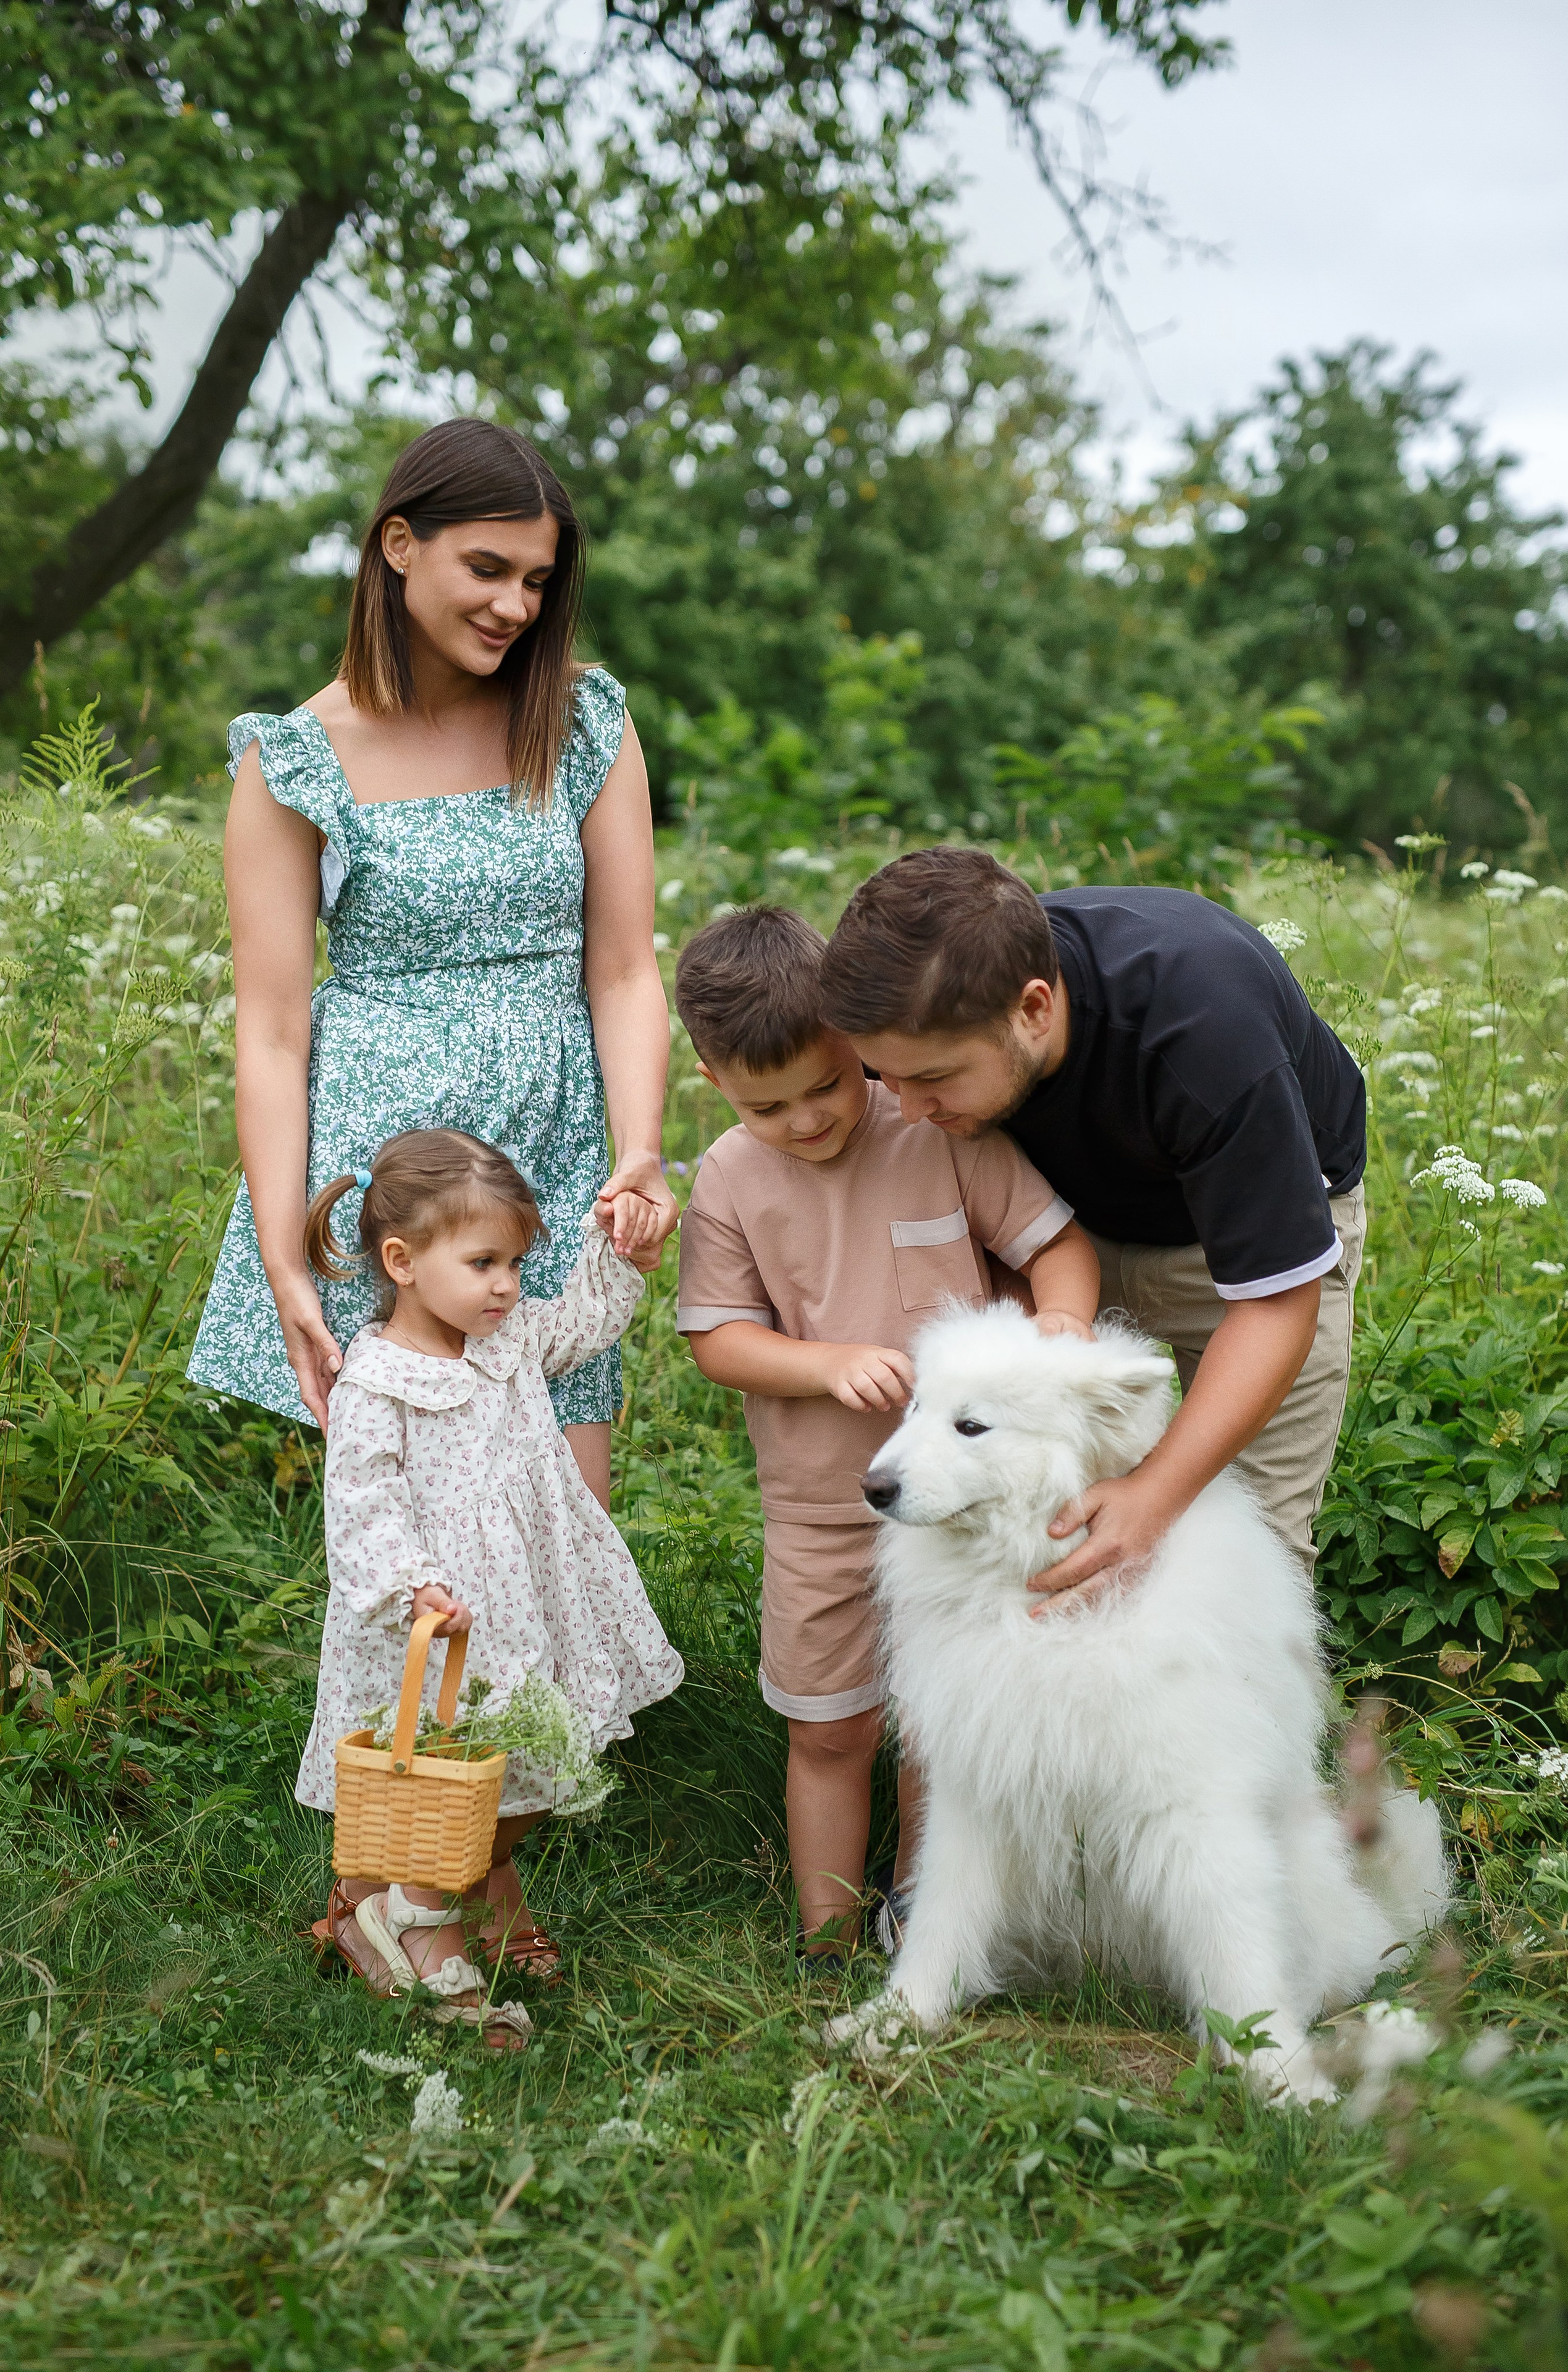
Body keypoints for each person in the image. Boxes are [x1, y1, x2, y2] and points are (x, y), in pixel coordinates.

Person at [188, 418, 676, 1510]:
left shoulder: (584, 720)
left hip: (544, 1152)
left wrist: (640, 1147)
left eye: (538, 580)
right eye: (488, 568)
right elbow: (271, 1033)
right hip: (392, 1173)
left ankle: (566, 1697)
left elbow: (626, 970)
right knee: (417, 1536)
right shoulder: (295, 760)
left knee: (565, 1509)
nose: (515, 606)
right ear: (399, 545)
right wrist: (284, 1261)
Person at [672, 907, 1099, 1958]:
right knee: (828, 1724)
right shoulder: (730, 1176)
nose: (810, 1119)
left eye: (827, 1084)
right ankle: (825, 1932)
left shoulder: (933, 1134)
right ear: (713, 1080)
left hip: (955, 1512)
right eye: (770, 1104)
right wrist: (823, 1364)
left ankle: (924, 1916)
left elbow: (1059, 1248)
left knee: (935, 1723)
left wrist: (1059, 1334)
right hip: (820, 1507)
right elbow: (719, 1338)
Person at [819, 847, 1367, 1604]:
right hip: (1062, 1239)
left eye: (935, 1079)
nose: (909, 1111)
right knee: (1030, 1523)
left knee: (1246, 1551)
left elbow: (1275, 1305)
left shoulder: (1208, 1037)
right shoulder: (938, 997)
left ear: (1035, 1008)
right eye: (887, 1077)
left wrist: (1155, 1495)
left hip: (1245, 1256)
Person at [298, 1129, 684, 2044]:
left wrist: (615, 1247)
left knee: (533, 1774)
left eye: (515, 1260)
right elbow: (361, 1506)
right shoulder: (377, 1383)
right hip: (437, 1632)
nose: (507, 1283)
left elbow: (587, 1320)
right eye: (483, 1262)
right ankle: (418, 1915)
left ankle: (476, 1887)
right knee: (454, 1778)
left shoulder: (506, 1338)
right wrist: (411, 1584)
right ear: (402, 1262)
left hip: (529, 1613)